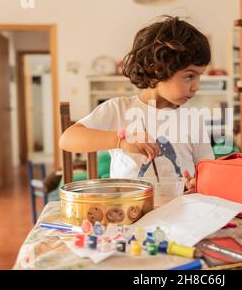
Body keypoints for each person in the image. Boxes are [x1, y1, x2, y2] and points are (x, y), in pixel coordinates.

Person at [59, 16, 215, 193]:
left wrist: (198, 184)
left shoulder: (192, 118)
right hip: (131, 214)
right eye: (189, 76)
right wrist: (121, 141)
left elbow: (206, 167)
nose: (197, 86)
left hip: (181, 211)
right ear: (155, 69)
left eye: (199, 76)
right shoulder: (119, 109)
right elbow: (67, 139)